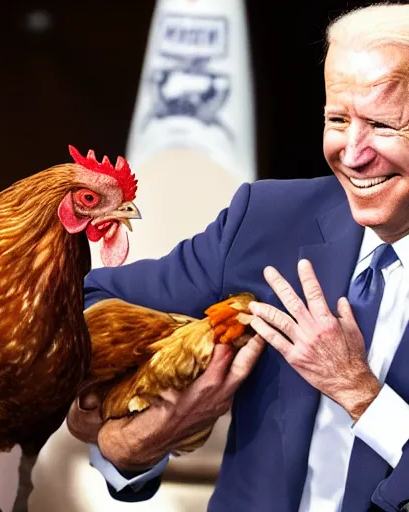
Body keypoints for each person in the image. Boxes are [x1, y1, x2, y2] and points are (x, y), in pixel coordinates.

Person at [68, 3, 409, 511]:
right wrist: (142, 433)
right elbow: (92, 306)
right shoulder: (269, 220)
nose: (352, 153)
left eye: (382, 125)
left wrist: (359, 392)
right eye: (337, 119)